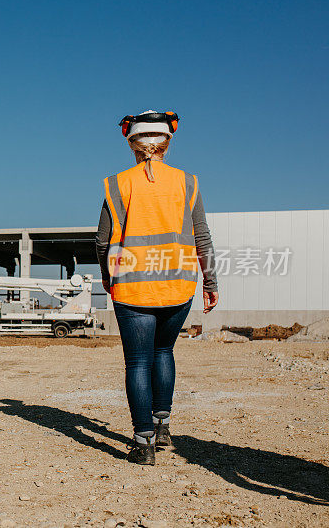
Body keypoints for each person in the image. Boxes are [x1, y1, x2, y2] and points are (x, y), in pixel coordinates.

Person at [95, 110, 219, 465]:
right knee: (163, 352)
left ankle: (143, 442)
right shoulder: (188, 182)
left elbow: (103, 241)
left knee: (137, 362)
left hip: (132, 289)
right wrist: (210, 282)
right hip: (178, 287)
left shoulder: (118, 183)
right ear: (167, 143)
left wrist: (108, 275)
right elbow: (203, 238)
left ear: (132, 144)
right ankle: (163, 427)